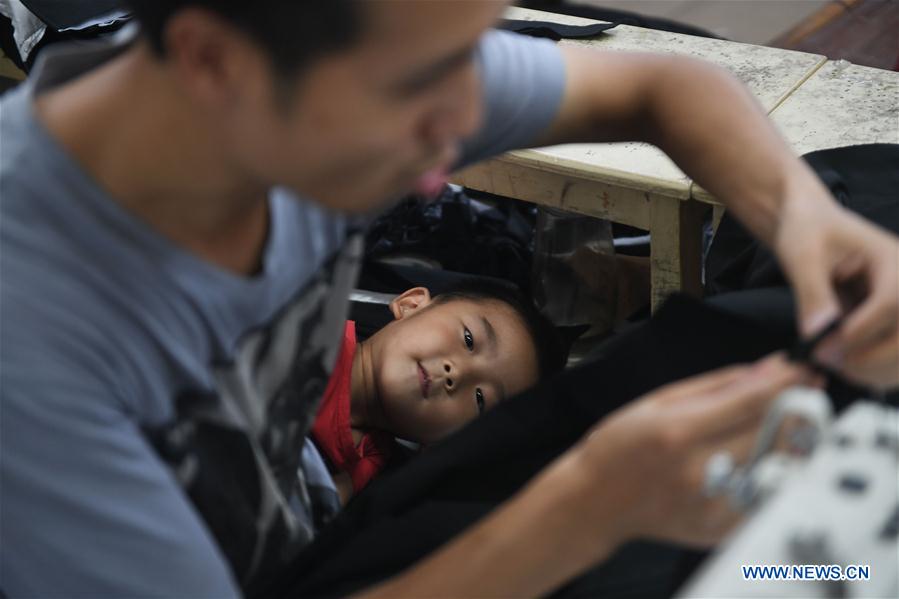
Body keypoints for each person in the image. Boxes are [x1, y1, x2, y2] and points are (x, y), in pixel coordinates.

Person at [0, 1, 896, 597]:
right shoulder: (34, 340)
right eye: (415, 93)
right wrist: (586, 507)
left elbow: (662, 87)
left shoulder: (306, 78)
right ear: (210, 60)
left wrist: (807, 222)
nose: (443, 157)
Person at [311, 281, 566, 502]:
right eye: (468, 339)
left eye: (480, 399)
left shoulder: (369, 464)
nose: (457, 374)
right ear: (411, 304)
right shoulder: (309, 330)